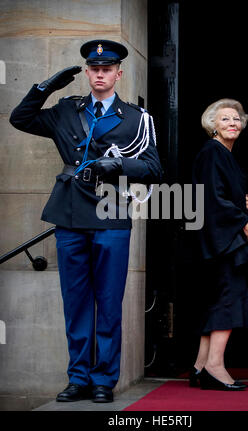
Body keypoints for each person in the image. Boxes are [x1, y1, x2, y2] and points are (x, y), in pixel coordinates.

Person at [9, 39, 163, 403]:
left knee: (108, 302)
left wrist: (121, 165)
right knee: (76, 300)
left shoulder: (137, 119)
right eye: (94, 69)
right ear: (88, 72)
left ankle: (103, 380)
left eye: (106, 69)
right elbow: (20, 118)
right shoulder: (66, 110)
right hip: (71, 212)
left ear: (118, 74)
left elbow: (155, 169)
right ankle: (77, 377)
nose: (99, 74)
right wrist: (46, 87)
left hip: (111, 212)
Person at [190, 98, 248, 391]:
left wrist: (243, 203)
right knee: (227, 300)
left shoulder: (223, 155)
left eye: (236, 119)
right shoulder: (212, 152)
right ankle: (215, 366)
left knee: (218, 299)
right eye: (225, 119)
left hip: (223, 239)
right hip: (222, 241)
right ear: (212, 126)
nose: (232, 123)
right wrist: (243, 220)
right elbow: (210, 199)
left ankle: (200, 365)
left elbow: (226, 194)